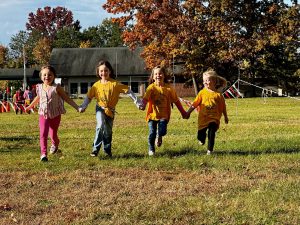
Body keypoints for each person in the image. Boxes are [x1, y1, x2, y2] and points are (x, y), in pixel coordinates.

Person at [78, 60, 141, 158]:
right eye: (101, 71)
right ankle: (95, 149)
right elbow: (89, 97)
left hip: (110, 110)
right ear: (98, 72)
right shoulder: (96, 85)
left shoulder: (115, 84)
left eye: (106, 70)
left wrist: (137, 103)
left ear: (110, 71)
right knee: (100, 125)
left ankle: (107, 151)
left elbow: (128, 91)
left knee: (108, 131)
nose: (104, 73)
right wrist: (83, 106)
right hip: (100, 109)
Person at [25, 65, 79, 162]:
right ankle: (43, 154)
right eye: (44, 75)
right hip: (43, 114)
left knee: (53, 134)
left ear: (54, 76)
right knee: (43, 134)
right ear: (41, 76)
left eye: (50, 75)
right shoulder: (39, 87)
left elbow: (66, 98)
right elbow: (38, 98)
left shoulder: (56, 87)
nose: (47, 77)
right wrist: (30, 106)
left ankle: (55, 144)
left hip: (55, 114)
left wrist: (77, 107)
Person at [139, 66, 187, 156]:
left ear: (164, 75)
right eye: (156, 74)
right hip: (152, 115)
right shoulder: (151, 88)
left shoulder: (169, 89)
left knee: (163, 131)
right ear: (153, 77)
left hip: (164, 115)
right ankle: (151, 149)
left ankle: (159, 135)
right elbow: (145, 99)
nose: (158, 75)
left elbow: (176, 101)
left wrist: (183, 112)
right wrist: (143, 105)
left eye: (160, 73)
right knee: (152, 132)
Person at [185, 70, 229, 155]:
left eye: (207, 80)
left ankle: (210, 150)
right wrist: (188, 112)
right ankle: (201, 139)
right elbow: (195, 104)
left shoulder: (218, 95)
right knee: (200, 136)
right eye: (204, 80)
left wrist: (225, 117)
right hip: (203, 119)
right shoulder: (202, 93)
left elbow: (223, 106)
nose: (205, 82)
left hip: (214, 119)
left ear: (214, 81)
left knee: (211, 133)